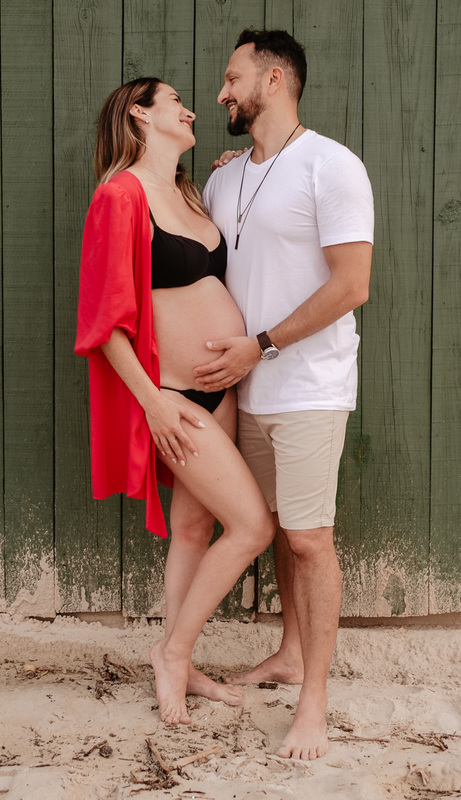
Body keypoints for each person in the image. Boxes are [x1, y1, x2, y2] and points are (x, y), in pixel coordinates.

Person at [195, 30, 374, 761]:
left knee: (309, 538)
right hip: (249, 393)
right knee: (275, 530)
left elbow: (351, 285)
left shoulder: (332, 167)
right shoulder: (225, 177)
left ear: (274, 79)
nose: (221, 94)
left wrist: (262, 343)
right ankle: (290, 654)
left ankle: (315, 704)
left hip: (307, 385)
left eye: (232, 78)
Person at [74, 78, 276, 726]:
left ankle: (182, 667)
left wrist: (229, 171)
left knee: (195, 529)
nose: (191, 109)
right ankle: (173, 652)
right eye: (174, 101)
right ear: (139, 114)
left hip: (220, 395)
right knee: (252, 526)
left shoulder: (192, 192)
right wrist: (155, 406)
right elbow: (103, 326)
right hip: (171, 396)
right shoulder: (120, 197)